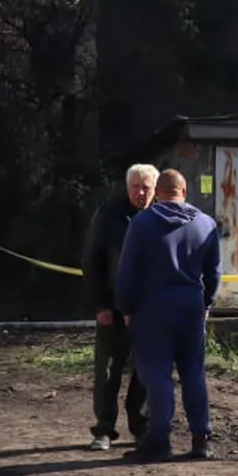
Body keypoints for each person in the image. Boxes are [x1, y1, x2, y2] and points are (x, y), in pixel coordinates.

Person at [114, 169, 221, 462]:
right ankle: (201, 439)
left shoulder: (142, 223)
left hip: (152, 310)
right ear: (184, 192)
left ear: (157, 193)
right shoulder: (206, 224)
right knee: (194, 374)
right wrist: (207, 302)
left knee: (158, 375)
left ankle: (160, 440)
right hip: (191, 308)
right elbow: (214, 272)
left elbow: (127, 271)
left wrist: (126, 307)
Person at [82, 164, 157, 451]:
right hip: (112, 309)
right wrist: (100, 303)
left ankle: (141, 426)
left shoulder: (161, 215)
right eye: (135, 186)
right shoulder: (108, 215)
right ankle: (104, 429)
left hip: (148, 311)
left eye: (146, 187)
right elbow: (92, 260)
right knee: (108, 371)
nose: (140, 192)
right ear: (127, 187)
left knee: (146, 371)